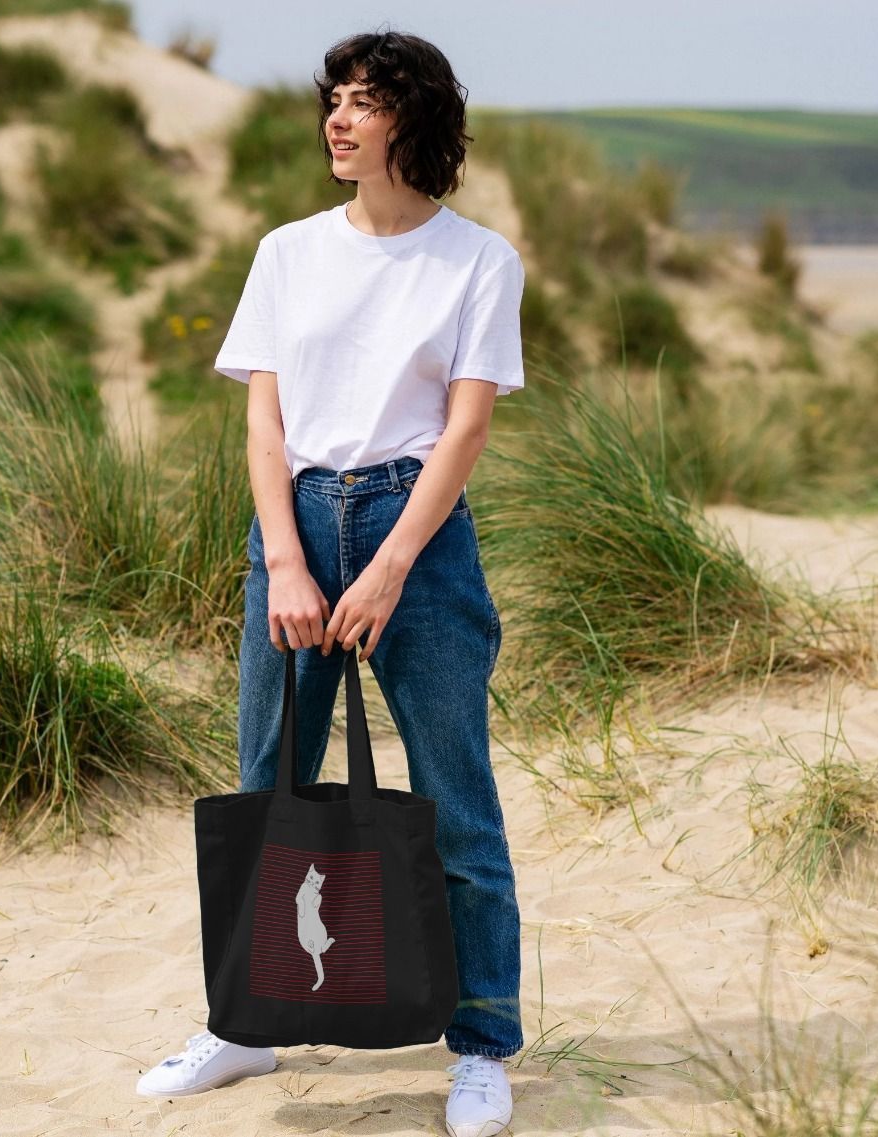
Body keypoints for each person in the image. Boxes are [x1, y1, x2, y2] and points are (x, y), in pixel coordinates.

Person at [137, 28, 525, 1137]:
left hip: (422, 531)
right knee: (271, 786)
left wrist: (393, 564)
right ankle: (246, 1026)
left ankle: (484, 1045)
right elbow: (264, 419)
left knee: (456, 799)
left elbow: (465, 429)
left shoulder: (478, 259)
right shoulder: (288, 250)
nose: (337, 120)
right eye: (333, 100)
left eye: (363, 101)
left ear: (413, 117)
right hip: (296, 522)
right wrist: (288, 563)